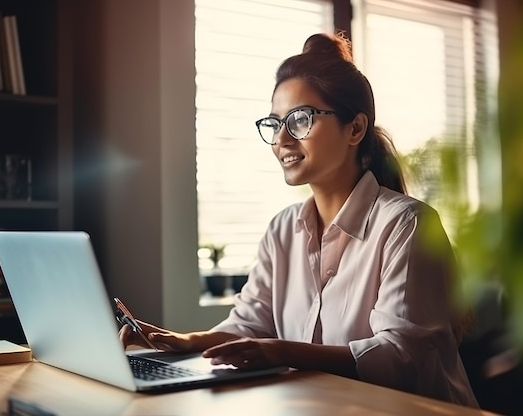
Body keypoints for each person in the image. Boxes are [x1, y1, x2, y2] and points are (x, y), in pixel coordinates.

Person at [121, 32, 478, 408]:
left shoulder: (407, 224)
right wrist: (186, 341)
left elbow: (398, 356)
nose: (282, 140)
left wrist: (282, 352)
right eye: (275, 124)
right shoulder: (282, 229)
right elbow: (249, 325)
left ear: (355, 128)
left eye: (300, 119)